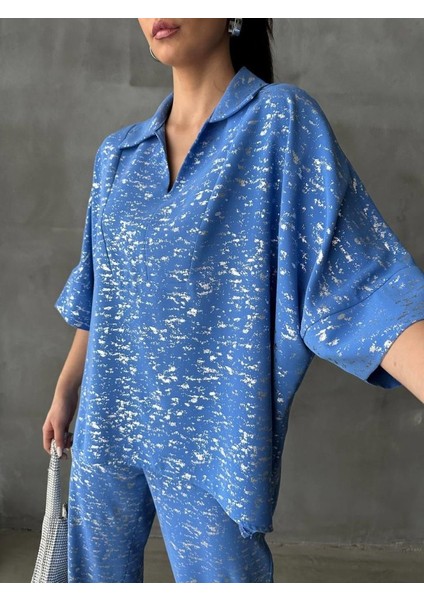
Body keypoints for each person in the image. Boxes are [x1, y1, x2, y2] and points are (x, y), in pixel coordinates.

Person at [42, 18, 424, 583]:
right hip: (108, 420)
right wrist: (65, 391)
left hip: (213, 436)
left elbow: (360, 284)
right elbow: (101, 294)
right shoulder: (118, 156)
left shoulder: (279, 124)